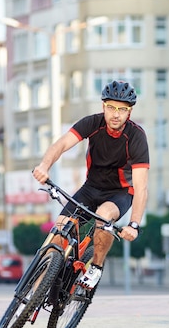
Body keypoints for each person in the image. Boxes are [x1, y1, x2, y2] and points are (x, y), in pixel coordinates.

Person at [32, 80, 149, 290]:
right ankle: (30, 297)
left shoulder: (136, 137)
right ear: (103, 106)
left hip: (119, 193)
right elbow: (61, 145)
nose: (116, 114)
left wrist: (134, 224)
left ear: (129, 112)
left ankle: (95, 266)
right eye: (111, 107)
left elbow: (141, 187)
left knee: (104, 215)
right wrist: (44, 165)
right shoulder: (92, 124)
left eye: (122, 110)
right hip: (90, 188)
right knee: (57, 236)